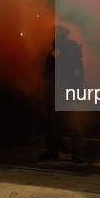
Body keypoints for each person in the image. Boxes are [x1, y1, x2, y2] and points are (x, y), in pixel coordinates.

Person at [40, 25, 84, 164]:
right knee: (71, 123)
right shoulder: (73, 51)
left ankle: (55, 150)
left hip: (58, 93)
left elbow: (47, 74)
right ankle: (75, 153)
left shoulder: (57, 53)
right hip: (66, 92)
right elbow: (79, 74)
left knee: (57, 123)